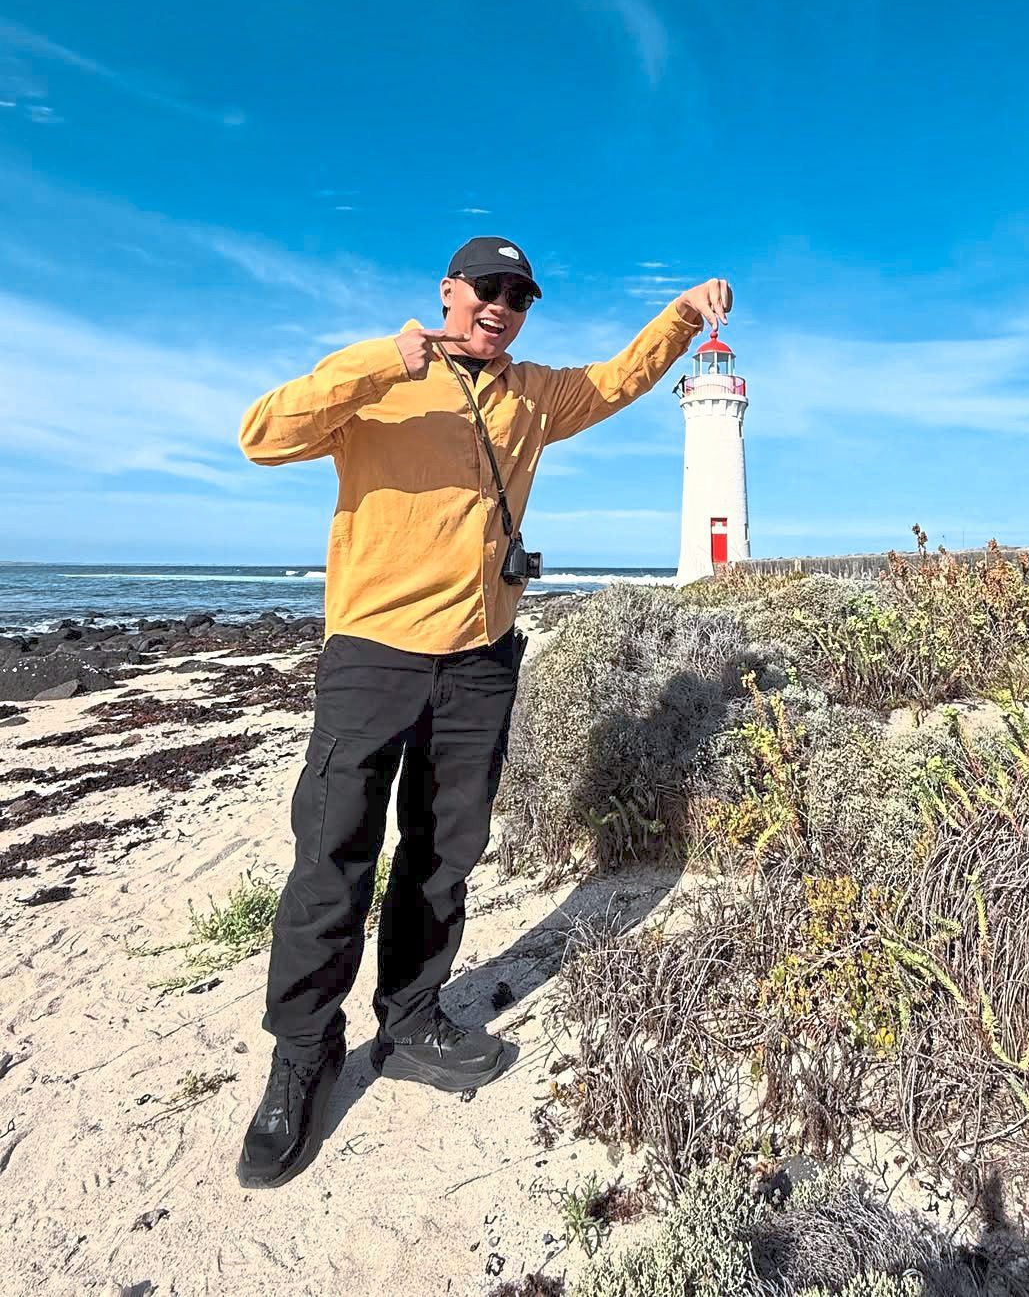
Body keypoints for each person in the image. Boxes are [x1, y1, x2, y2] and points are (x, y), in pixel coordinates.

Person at [234, 235, 732, 1187]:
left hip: (480, 663)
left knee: (444, 850)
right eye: (488, 290)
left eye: (521, 295)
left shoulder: (534, 393)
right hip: (372, 653)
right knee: (331, 857)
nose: (503, 305)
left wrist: (679, 314)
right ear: (449, 292)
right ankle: (301, 1056)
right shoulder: (378, 373)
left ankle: (411, 1019)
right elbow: (263, 434)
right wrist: (386, 358)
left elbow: (620, 380)